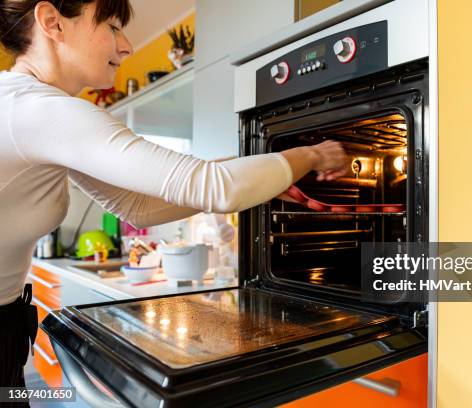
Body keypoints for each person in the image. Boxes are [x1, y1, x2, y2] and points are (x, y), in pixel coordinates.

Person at [0, 0, 348, 394]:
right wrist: (313, 154)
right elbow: (217, 186)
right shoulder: (39, 110)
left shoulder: (26, 107)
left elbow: (138, 205)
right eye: (113, 26)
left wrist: (269, 172)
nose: (126, 45)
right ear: (52, 23)